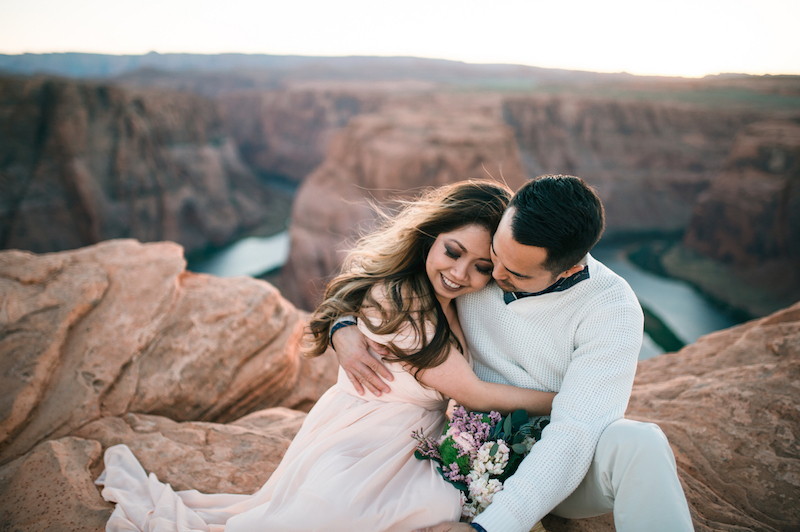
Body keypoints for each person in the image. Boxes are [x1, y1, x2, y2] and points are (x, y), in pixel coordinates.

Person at [96, 180, 557, 532]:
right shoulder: (407, 301)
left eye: (481, 266)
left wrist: (341, 327)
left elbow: (345, 300)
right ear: (430, 237)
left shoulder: (444, 294)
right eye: (452, 252)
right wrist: (566, 401)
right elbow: (472, 392)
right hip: (361, 446)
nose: (460, 274)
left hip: (402, 444)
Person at [334, 175, 695, 532]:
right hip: (467, 457)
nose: (494, 274)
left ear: (569, 269)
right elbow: (394, 273)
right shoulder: (479, 260)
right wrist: (342, 324)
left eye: (517, 274)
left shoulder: (612, 309)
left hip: (560, 471)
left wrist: (490, 527)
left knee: (641, 444)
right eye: (495, 254)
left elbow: (576, 431)